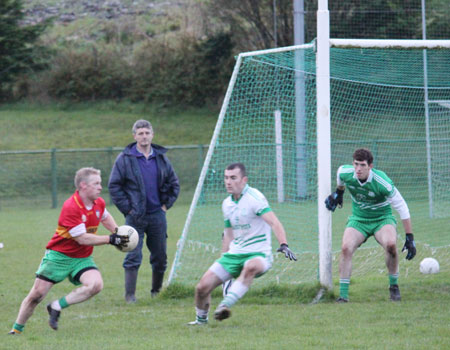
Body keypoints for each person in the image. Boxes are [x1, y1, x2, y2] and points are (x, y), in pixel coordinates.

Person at [8, 168, 129, 335]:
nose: (100, 187)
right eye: (96, 184)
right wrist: (110, 239)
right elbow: (82, 238)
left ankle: (56, 306)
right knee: (37, 295)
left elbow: (105, 217)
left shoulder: (98, 203)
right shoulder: (71, 206)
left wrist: (118, 232)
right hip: (58, 257)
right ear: (83, 186)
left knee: (96, 285)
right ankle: (16, 330)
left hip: (82, 258)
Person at [188, 162, 297, 325]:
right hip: (235, 254)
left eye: (233, 178)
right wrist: (223, 258)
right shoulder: (227, 204)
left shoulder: (255, 198)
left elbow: (274, 222)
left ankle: (224, 306)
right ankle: (200, 321)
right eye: (226, 178)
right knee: (202, 288)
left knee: (250, 267)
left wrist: (284, 244)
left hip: (259, 254)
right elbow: (229, 234)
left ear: (244, 179)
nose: (228, 182)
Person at [325, 148, 416, 303]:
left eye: (362, 165)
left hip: (382, 219)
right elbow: (340, 177)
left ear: (370, 166)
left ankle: (393, 286)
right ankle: (343, 296)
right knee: (346, 248)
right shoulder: (346, 172)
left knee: (391, 245)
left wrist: (409, 237)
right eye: (356, 164)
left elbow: (403, 207)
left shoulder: (382, 183)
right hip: (359, 219)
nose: (358, 169)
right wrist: (339, 193)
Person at [108, 119, 179, 303]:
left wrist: (165, 206)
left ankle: (156, 292)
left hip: (157, 215)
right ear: (134, 136)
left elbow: (174, 184)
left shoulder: (161, 158)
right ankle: (130, 295)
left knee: (160, 256)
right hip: (135, 217)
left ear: (152, 135)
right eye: (140, 133)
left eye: (147, 132)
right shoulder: (125, 159)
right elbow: (114, 186)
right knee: (133, 255)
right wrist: (128, 209)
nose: (144, 136)